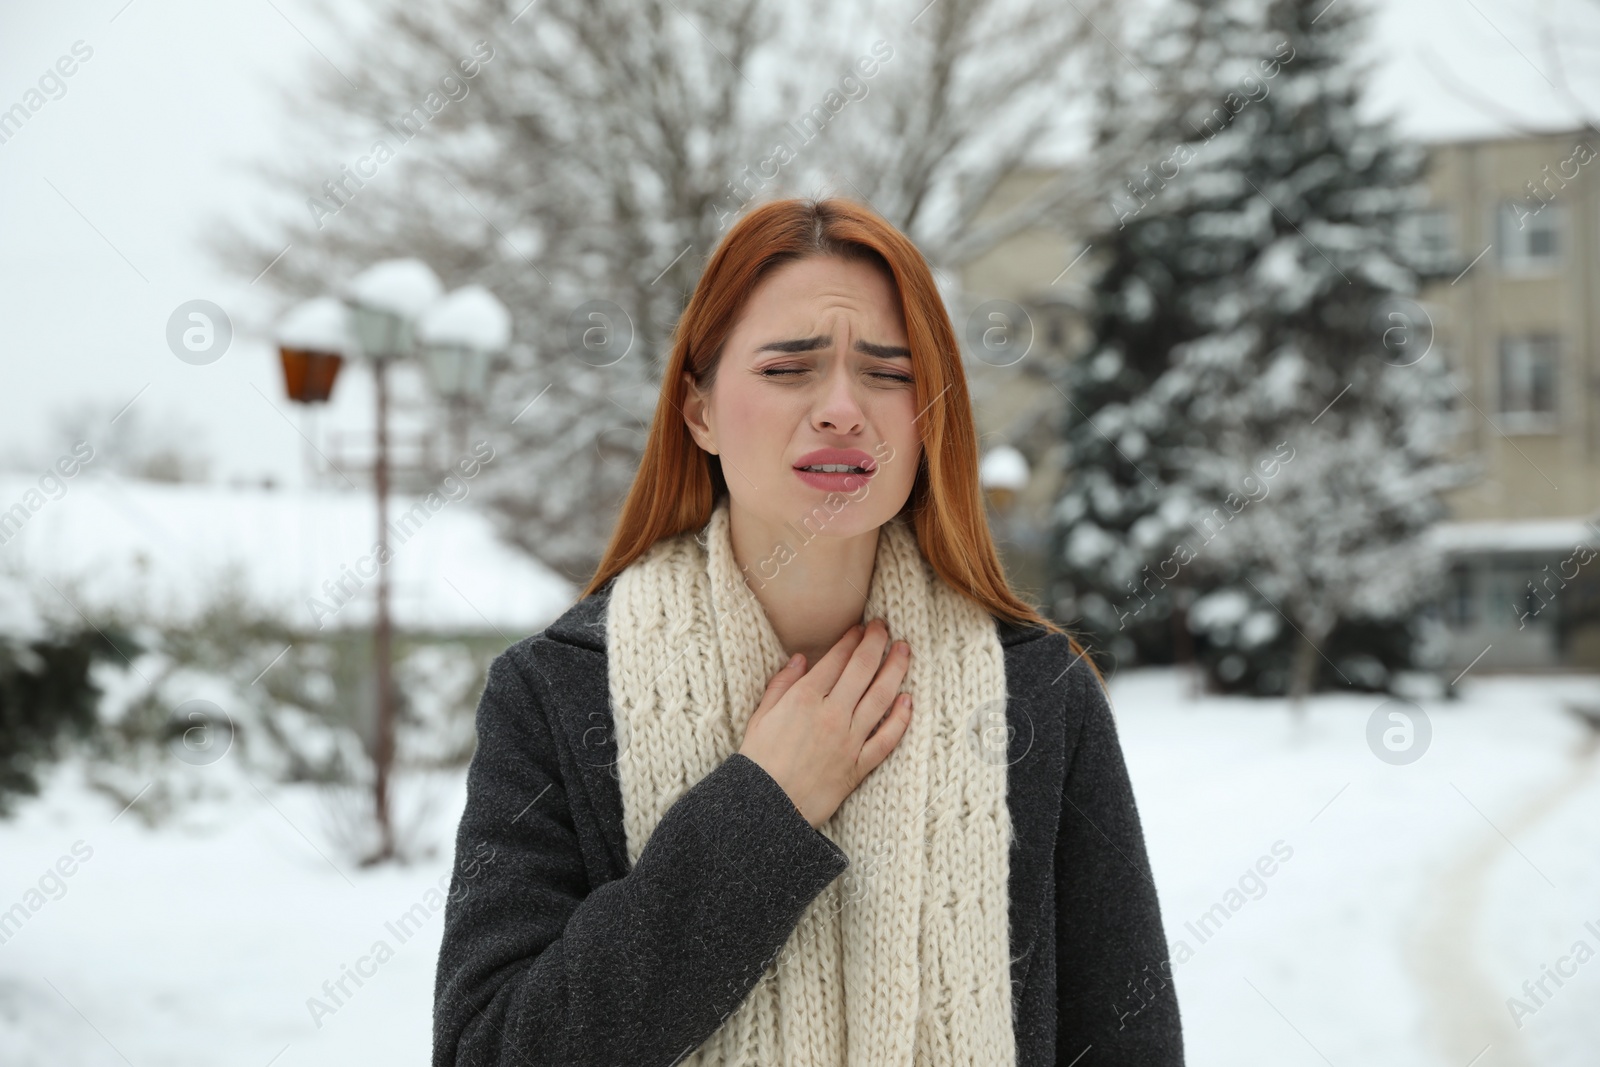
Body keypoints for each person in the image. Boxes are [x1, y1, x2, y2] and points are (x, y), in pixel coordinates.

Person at [432, 197, 1184, 1066]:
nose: (841, 408)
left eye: (888, 372)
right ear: (700, 411)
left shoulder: (1041, 698)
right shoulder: (555, 695)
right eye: (788, 369)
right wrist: (763, 810)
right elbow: (488, 1049)